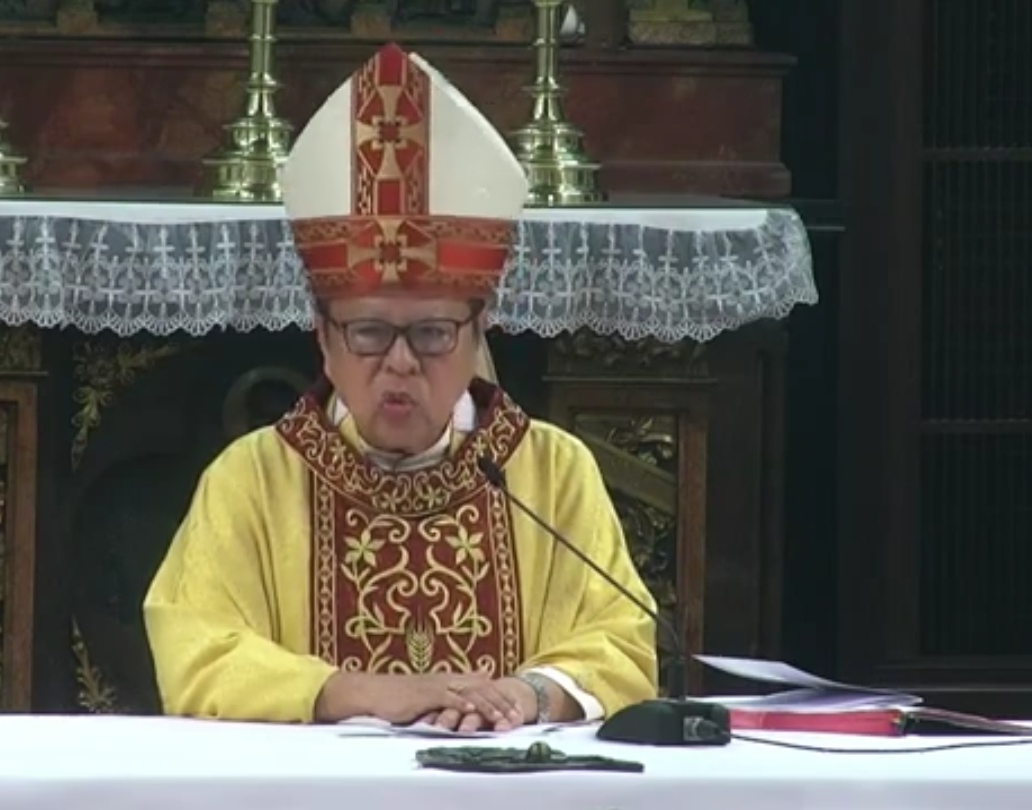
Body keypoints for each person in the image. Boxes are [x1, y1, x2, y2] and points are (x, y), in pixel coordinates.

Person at [143, 43, 658, 732]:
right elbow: (197, 653)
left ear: (479, 331)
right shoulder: (255, 479)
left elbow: (621, 638)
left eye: (432, 334)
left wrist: (531, 695)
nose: (400, 364)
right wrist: (365, 692)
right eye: (368, 334)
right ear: (323, 338)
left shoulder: (549, 471)